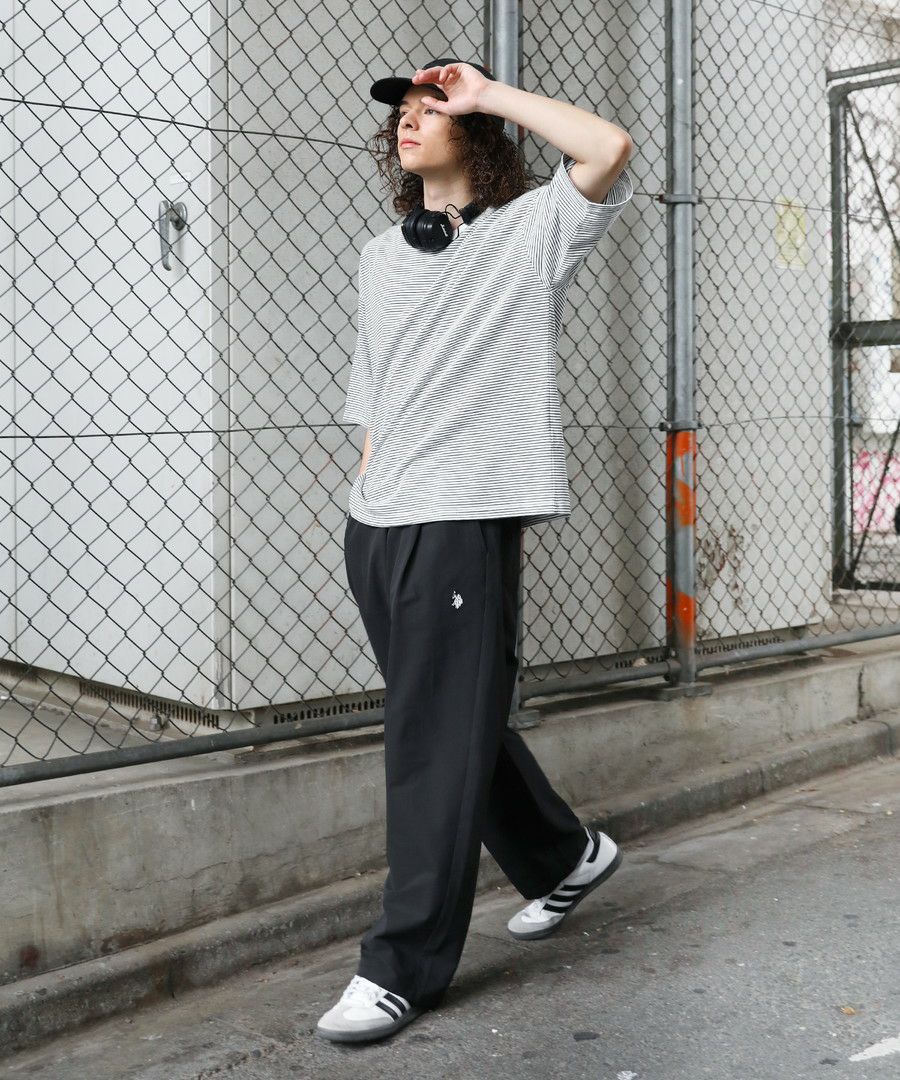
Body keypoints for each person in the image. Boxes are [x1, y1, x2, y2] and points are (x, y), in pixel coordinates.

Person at [317, 56, 634, 1044]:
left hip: (463, 519)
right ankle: (564, 856)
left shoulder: (530, 234)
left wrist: (487, 91)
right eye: (403, 113)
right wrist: (367, 506)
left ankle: (401, 965)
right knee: (452, 720)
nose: (410, 122)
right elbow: (373, 399)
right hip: (378, 526)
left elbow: (608, 147)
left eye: (432, 107)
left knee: (428, 737)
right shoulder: (380, 256)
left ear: (475, 130)